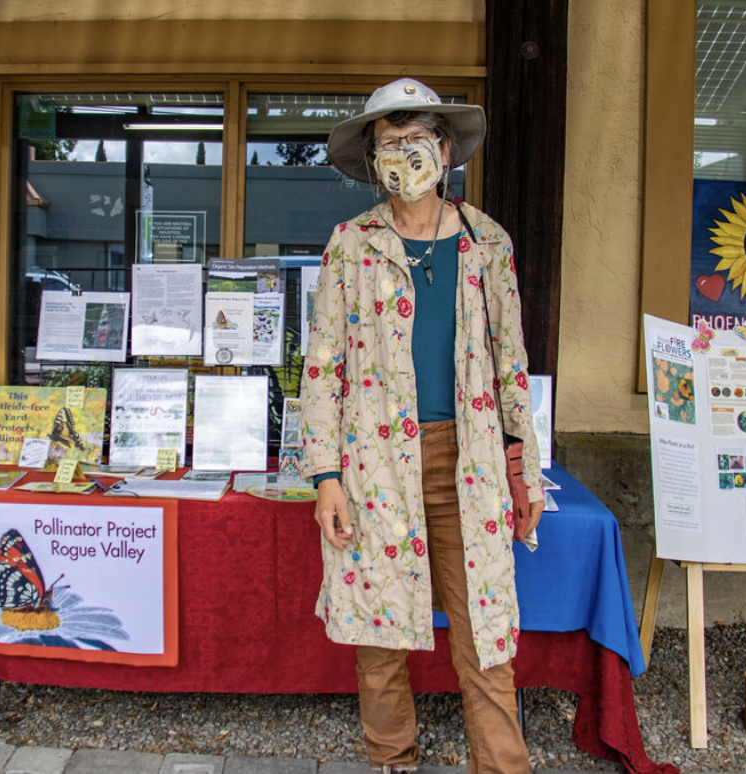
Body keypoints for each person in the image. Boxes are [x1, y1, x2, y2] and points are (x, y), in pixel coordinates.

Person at [299, 78, 545, 774]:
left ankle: (501, 766)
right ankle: (392, 760)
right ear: (373, 160)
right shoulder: (352, 245)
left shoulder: (484, 242)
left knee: (486, 633)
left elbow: (511, 366)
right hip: (375, 466)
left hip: (471, 463)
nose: (403, 157)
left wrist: (523, 468)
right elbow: (322, 368)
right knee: (379, 635)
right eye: (388, 145)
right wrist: (326, 478)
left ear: (444, 149)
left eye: (416, 142)